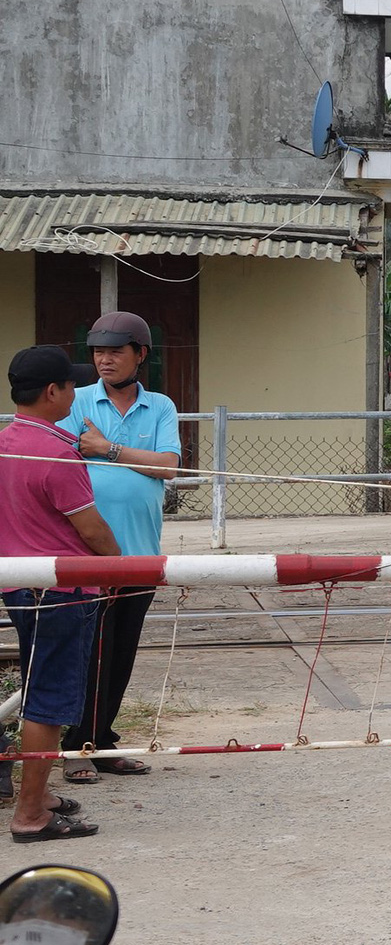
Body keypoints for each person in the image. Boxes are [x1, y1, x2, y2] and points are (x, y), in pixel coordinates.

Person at [0, 347, 120, 841]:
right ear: (53, 392)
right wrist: (119, 568)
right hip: (63, 589)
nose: (76, 393)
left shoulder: (8, 440)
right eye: (71, 386)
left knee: (37, 685)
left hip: (19, 584)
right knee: (49, 700)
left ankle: (39, 793)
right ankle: (30, 815)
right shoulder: (55, 450)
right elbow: (90, 528)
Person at [58, 311, 182, 782]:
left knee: (122, 652)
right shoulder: (76, 400)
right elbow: (65, 463)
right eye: (97, 352)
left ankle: (101, 741)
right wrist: (136, 460)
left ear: (141, 355)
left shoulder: (161, 407)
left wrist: (108, 450)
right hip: (86, 552)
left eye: (115, 351)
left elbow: (168, 467)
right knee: (86, 652)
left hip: (141, 552)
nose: (104, 360)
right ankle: (74, 747)